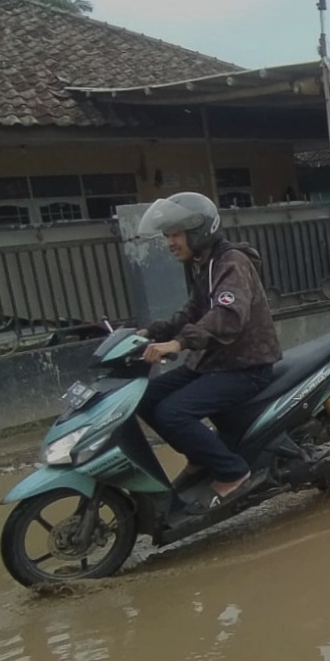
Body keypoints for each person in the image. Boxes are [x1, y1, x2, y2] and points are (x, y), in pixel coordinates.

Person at [136, 192, 282, 512]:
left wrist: (178, 343)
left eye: (176, 234)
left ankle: (233, 471)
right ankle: (201, 458)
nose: (170, 242)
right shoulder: (203, 263)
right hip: (213, 362)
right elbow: (191, 312)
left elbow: (227, 316)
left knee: (172, 413)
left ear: (198, 231)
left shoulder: (231, 262)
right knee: (143, 398)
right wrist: (150, 332)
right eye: (168, 235)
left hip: (245, 365)